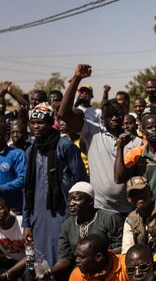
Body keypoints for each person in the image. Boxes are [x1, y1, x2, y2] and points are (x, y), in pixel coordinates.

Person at [60, 63, 143, 216]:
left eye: (118, 114)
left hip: (128, 212)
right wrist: (77, 78)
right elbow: (64, 114)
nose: (115, 118)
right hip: (99, 211)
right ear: (102, 119)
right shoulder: (92, 132)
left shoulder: (136, 142)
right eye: (110, 115)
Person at [22, 102, 88, 267]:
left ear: (51, 123)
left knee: (63, 259)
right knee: (40, 263)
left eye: (41, 122)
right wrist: (26, 222)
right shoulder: (31, 151)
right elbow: (27, 189)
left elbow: (81, 183)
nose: (36, 126)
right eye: (33, 122)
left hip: (63, 214)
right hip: (38, 216)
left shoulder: (65, 147)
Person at [52, 182, 123, 279]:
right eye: (69, 200)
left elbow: (120, 248)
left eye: (76, 199)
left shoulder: (110, 218)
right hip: (81, 275)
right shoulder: (67, 225)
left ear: (90, 201)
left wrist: (93, 259)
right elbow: (66, 258)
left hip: (110, 271)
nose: (71, 203)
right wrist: (49, 272)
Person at [116, 111, 156, 198]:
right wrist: (120, 148)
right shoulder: (137, 153)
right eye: (149, 127)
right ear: (143, 132)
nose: (154, 130)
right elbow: (119, 178)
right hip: (146, 207)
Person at [0, 112, 26, 213]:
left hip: (14, 209)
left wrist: (2, 188)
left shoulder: (17, 154)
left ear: (6, 137)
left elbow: (23, 178)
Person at [0, 197, 24, 280]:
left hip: (30, 262)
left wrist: (8, 273)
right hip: (11, 261)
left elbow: (31, 255)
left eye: (0, 209)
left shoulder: (23, 224)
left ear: (9, 209)